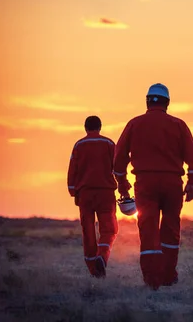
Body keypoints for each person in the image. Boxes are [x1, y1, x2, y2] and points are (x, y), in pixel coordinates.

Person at [114, 83, 193, 290]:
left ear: (147, 101)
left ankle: (152, 281)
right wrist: (192, 183)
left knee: (148, 231)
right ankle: (168, 277)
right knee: (171, 230)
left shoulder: (134, 124)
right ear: (167, 103)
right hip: (173, 184)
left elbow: (118, 160)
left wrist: (123, 185)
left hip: (145, 184)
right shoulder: (179, 125)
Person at [67, 115, 121, 278]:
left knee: (88, 231)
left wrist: (73, 191)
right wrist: (123, 188)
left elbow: (72, 170)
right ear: (100, 127)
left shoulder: (78, 145)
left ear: (85, 127)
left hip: (85, 195)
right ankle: (102, 256)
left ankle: (93, 269)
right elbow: (118, 167)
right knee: (109, 229)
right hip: (105, 193)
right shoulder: (109, 144)